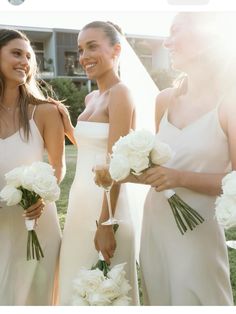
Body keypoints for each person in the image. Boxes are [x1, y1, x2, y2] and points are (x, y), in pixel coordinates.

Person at [136, 12, 235, 305]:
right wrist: (116, 171)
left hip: (199, 231)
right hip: (156, 224)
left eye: (175, 31)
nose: (166, 42)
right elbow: (158, 168)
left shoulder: (229, 103)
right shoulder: (164, 100)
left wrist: (180, 178)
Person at [55, 21, 139, 305]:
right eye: (80, 49)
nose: (83, 56)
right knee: (73, 283)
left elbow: (116, 163)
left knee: (104, 291)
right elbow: (93, 150)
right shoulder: (92, 97)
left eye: (92, 46)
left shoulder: (121, 94)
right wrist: (68, 126)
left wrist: (105, 224)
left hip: (106, 207)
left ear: (116, 50)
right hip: (80, 203)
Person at [0, 29, 65, 305]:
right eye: (16, 53)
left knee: (34, 298)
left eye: (29, 56)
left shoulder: (47, 111)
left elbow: (57, 167)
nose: (25, 61)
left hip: (37, 221)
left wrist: (40, 195)